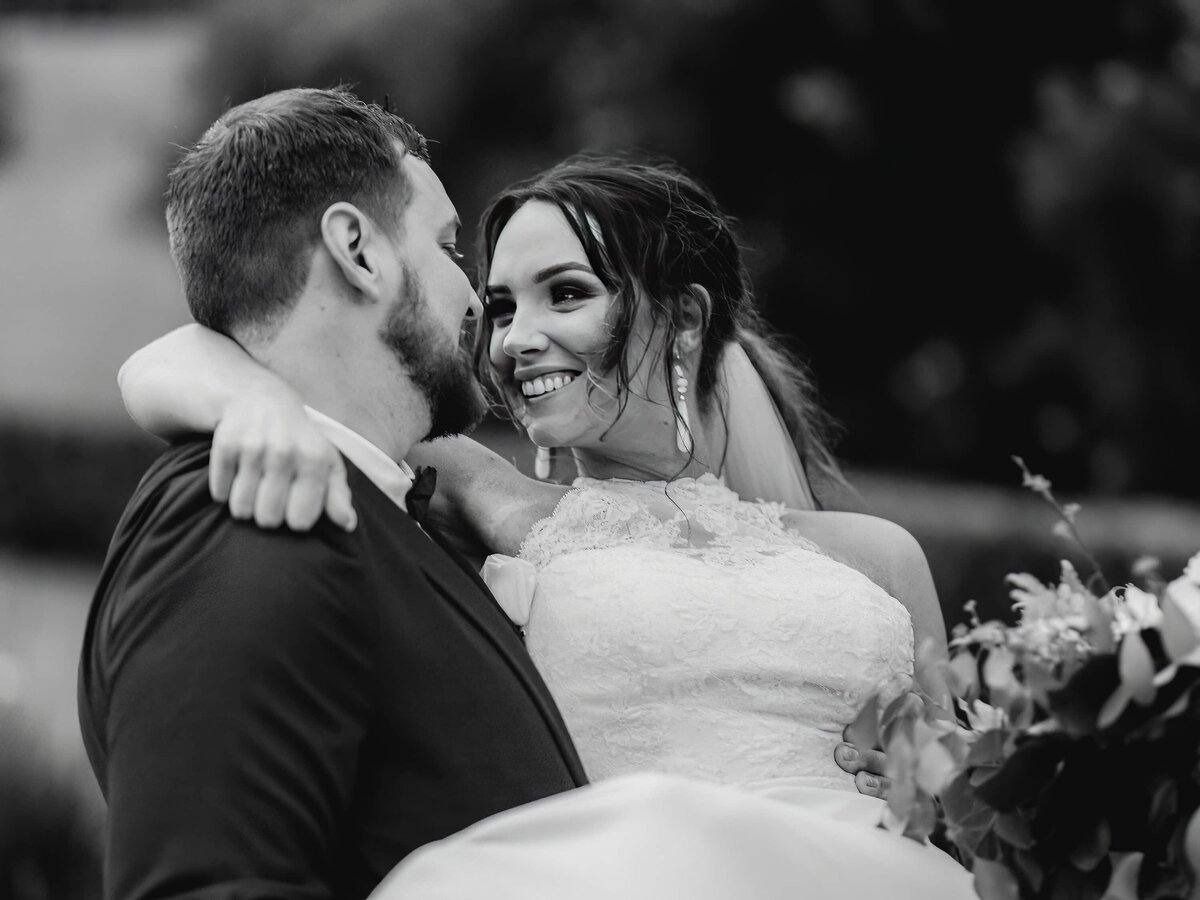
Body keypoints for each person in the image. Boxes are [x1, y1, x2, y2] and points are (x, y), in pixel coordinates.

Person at [119, 152, 975, 898]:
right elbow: (172, 359)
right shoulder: (476, 492)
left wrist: (951, 780)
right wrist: (259, 404)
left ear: (683, 319)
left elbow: (969, 805)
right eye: (499, 306)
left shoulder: (881, 559)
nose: (515, 339)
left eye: (565, 294)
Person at [78, 87, 590, 900]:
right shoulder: (249, 509)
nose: (474, 295)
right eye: (449, 246)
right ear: (358, 248)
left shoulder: (381, 507)